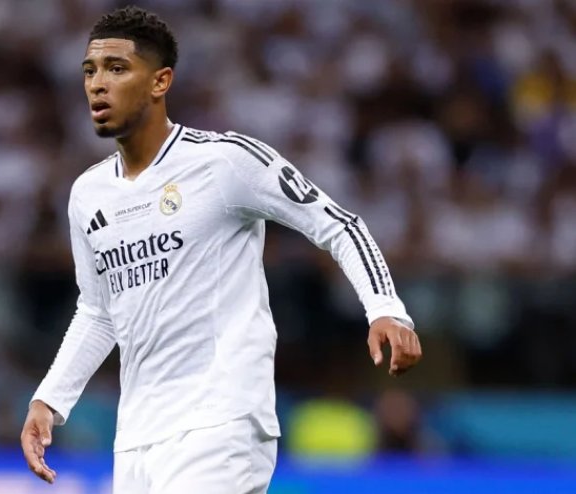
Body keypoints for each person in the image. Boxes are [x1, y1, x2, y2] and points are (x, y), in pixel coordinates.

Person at [21, 6, 422, 493]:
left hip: (221, 420)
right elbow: (98, 311)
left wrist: (385, 308)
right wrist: (50, 400)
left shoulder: (224, 162)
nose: (97, 84)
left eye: (117, 68)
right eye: (90, 71)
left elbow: (338, 224)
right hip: (137, 437)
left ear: (160, 81)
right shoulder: (88, 194)